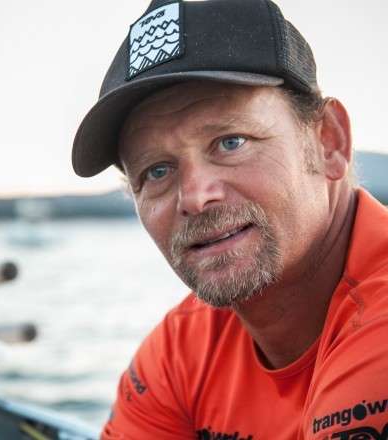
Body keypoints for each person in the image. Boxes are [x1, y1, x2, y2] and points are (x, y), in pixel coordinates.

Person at [72, 1, 388, 438]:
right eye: (157, 171)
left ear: (328, 143)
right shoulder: (181, 355)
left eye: (231, 142)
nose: (195, 196)